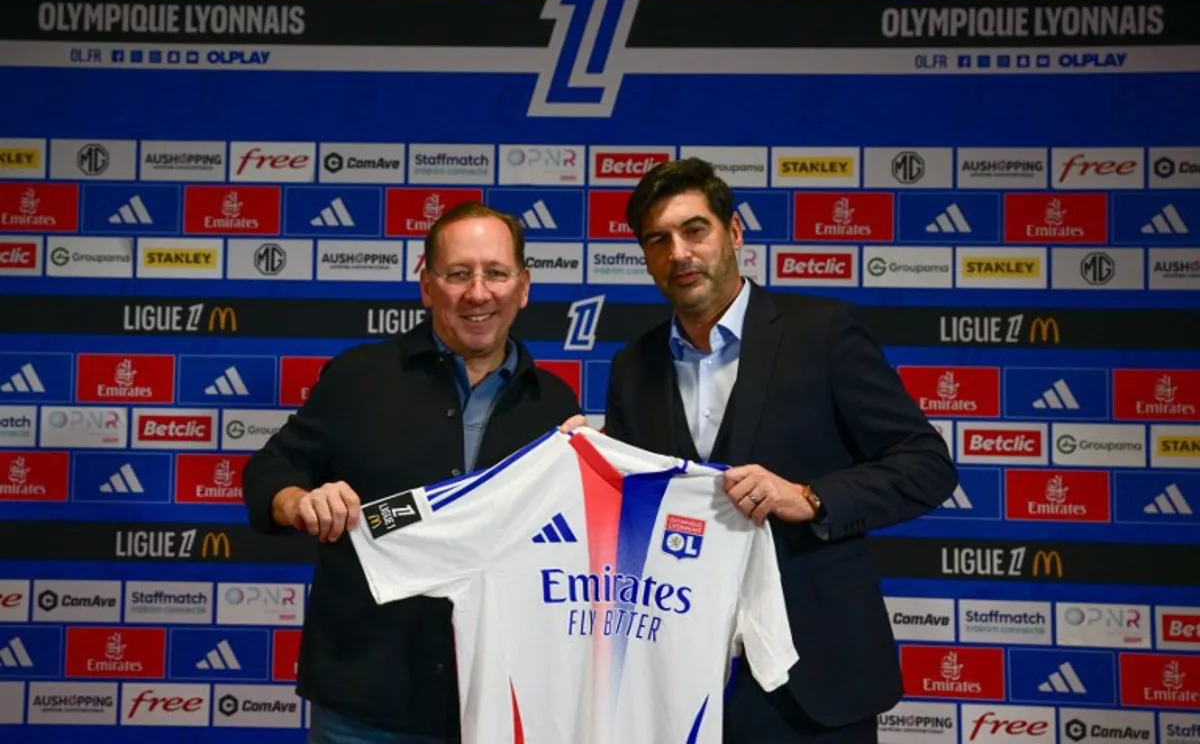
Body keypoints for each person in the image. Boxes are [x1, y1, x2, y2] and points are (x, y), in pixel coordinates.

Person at [602, 158, 958, 744]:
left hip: (814, 680)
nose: (679, 253)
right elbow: (628, 516)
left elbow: (927, 464)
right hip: (679, 684)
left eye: (696, 230)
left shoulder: (823, 334)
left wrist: (813, 497)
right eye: (658, 240)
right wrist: (581, 464)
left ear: (733, 233)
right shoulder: (632, 367)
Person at [242, 202, 582, 744]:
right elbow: (268, 471)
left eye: (496, 273)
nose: (478, 293)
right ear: (426, 285)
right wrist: (298, 501)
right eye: (457, 274)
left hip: (505, 704)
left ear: (523, 286)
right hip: (366, 708)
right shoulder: (359, 377)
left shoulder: (558, 407)